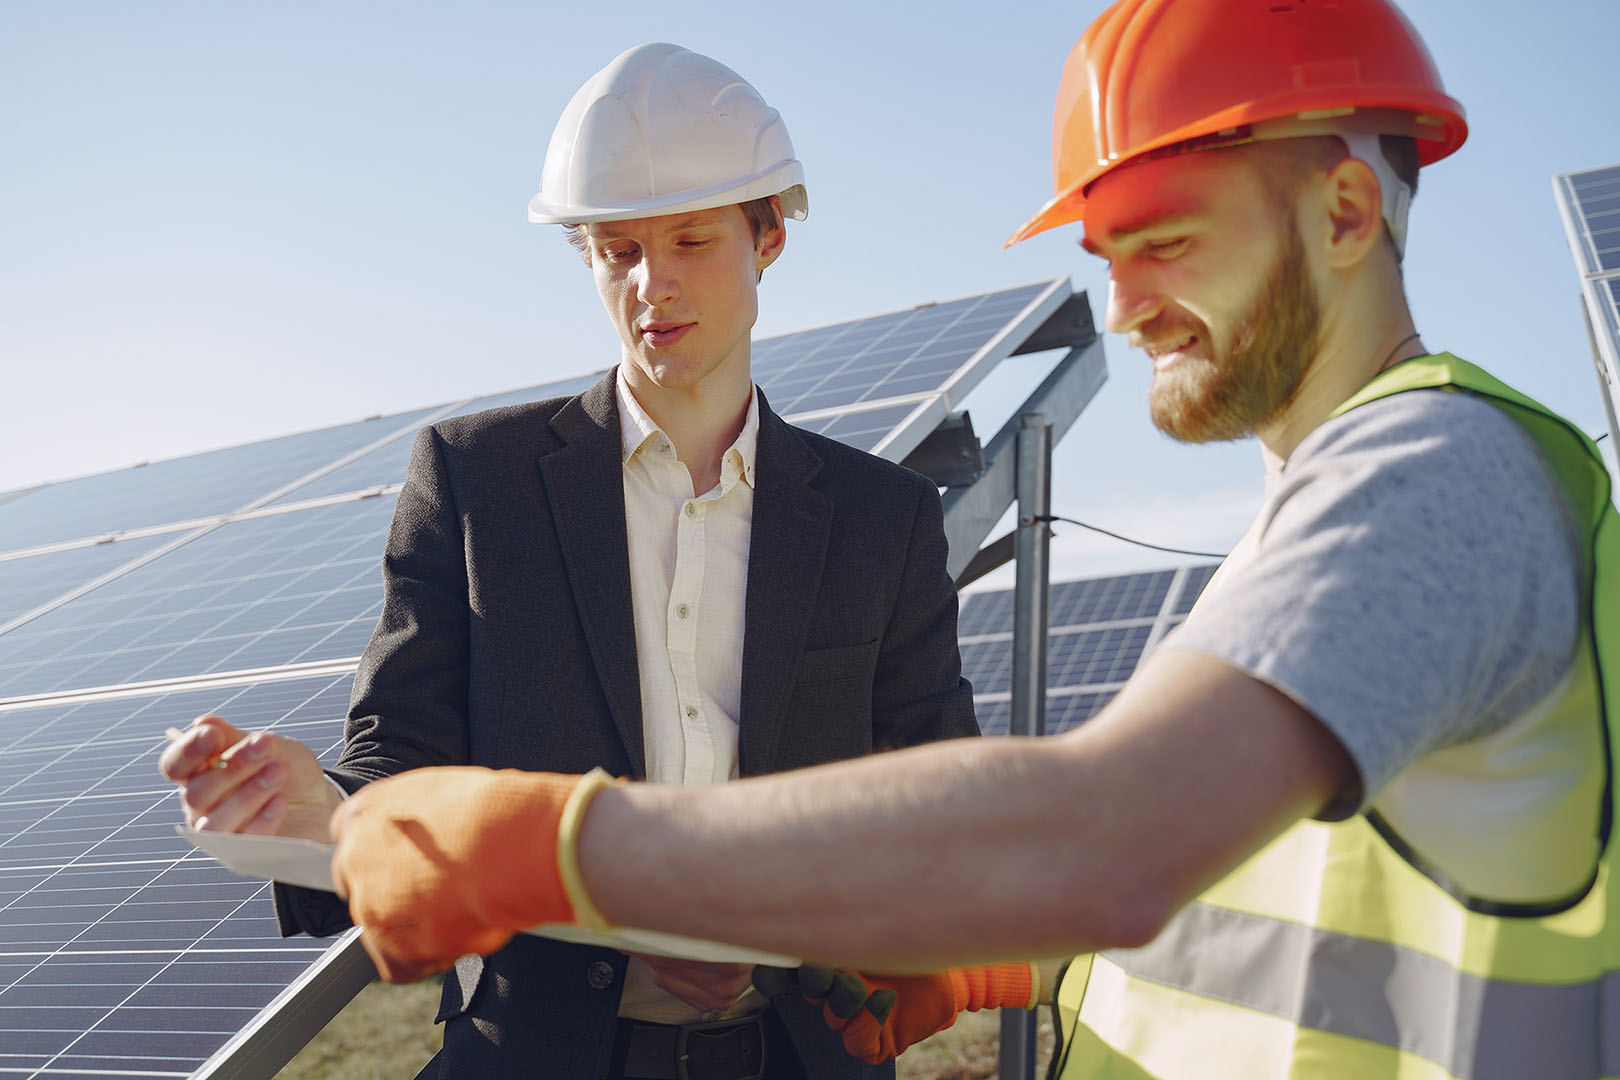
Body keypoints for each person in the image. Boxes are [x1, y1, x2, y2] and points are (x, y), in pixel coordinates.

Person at [320, 2, 1620, 1077]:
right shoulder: (1296, 518)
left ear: (1346, 212)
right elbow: (1246, 892)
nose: (1122, 308)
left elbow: (1108, 835)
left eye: (1161, 240)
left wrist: (560, 849)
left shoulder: (1443, 477)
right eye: (1104, 254)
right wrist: (988, 956)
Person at [158, 41, 980, 1080]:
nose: (653, 286)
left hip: (800, 1055)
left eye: (690, 240)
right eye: (618, 251)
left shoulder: (884, 518)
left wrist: (768, 934)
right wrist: (318, 808)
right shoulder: (475, 481)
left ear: (767, 234)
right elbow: (403, 758)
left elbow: (941, 804)